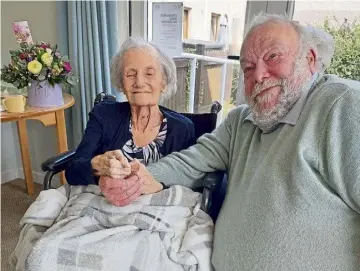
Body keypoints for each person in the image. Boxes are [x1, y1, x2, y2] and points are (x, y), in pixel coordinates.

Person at [98, 13, 360, 270]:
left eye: (273, 56)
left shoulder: (341, 106)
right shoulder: (242, 120)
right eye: (247, 67)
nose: (258, 75)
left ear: (310, 59)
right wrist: (141, 177)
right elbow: (192, 161)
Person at [65, 37, 196, 198]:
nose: (139, 82)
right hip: (103, 203)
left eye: (149, 73)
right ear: (120, 83)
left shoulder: (182, 129)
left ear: (164, 82)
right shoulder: (104, 115)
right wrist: (98, 165)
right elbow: (72, 171)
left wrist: (158, 185)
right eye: (130, 74)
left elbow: (190, 181)